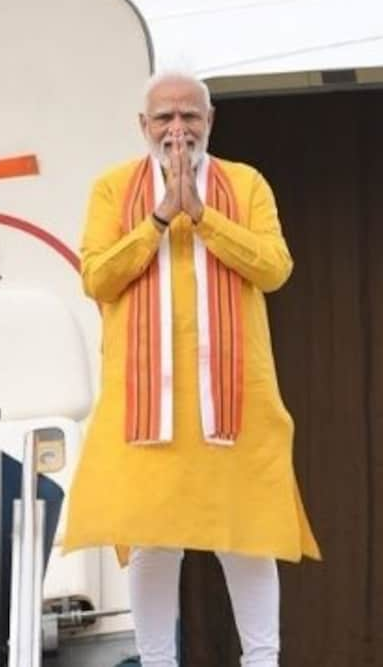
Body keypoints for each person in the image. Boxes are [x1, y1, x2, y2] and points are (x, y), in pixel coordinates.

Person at [62, 71, 321, 667]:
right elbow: (96, 277)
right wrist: (156, 222)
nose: (177, 131)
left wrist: (203, 216)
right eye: (164, 119)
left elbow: (275, 267)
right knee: (154, 541)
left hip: (235, 398)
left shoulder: (246, 184)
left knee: (248, 537)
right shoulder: (112, 189)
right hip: (144, 402)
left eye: (189, 117)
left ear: (210, 122)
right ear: (143, 127)